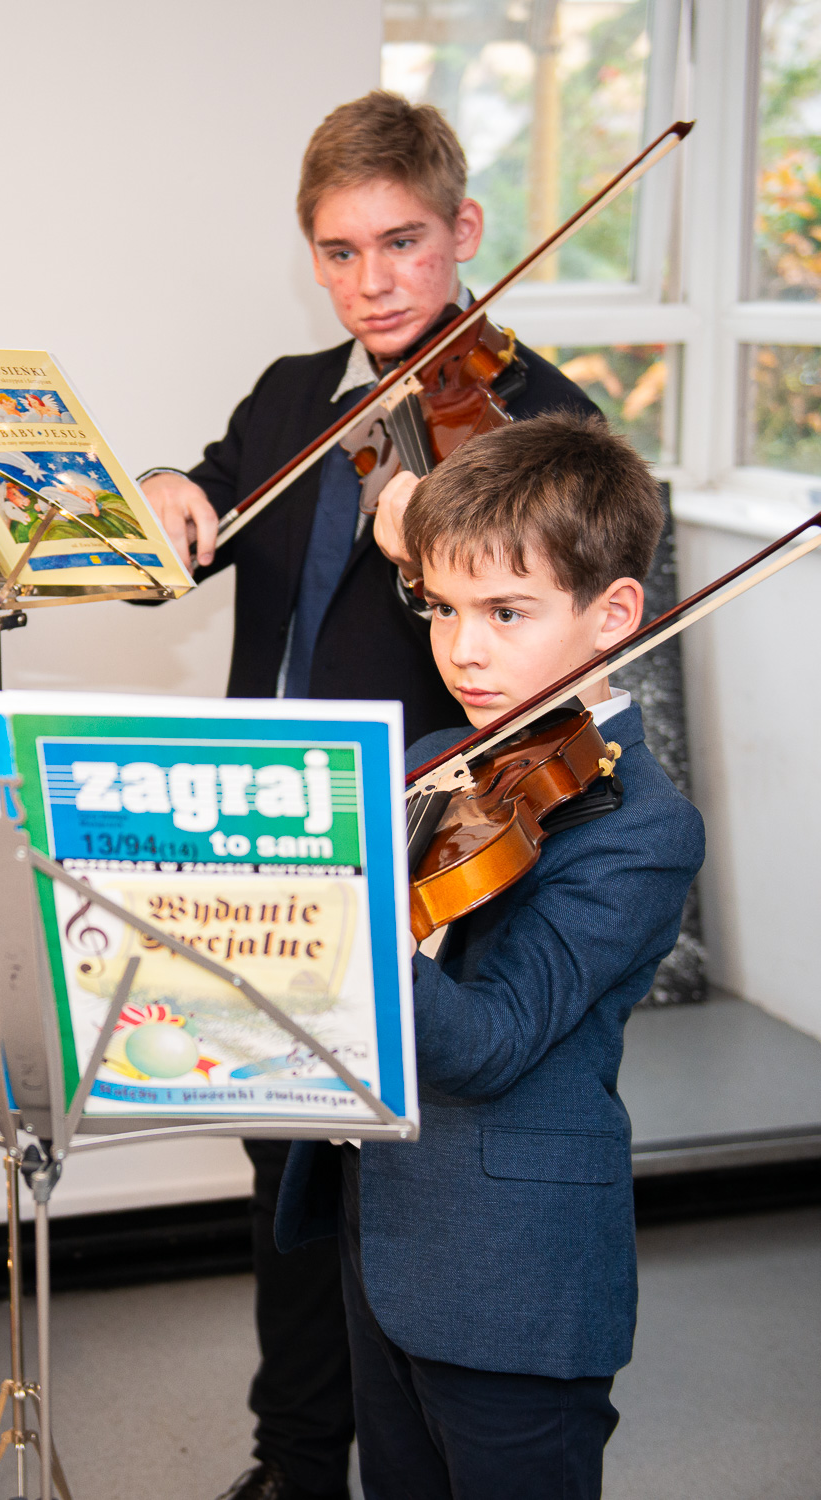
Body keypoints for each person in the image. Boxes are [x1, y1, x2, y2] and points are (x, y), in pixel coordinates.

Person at [137, 92, 600, 1500]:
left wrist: (428, 541)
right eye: (340, 252)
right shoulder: (291, 393)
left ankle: (425, 1454)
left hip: (424, 841)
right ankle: (294, 1462)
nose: (375, 281)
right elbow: (216, 502)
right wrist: (165, 487)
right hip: (262, 828)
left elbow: (556, 644)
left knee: (401, 1183)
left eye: (403, 242)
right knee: (282, 1170)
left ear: (465, 230)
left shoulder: (540, 420)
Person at [276, 412, 706, 1500]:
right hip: (383, 1230)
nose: (462, 650)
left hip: (512, 1273)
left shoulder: (640, 829)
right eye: (441, 607)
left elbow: (489, 1042)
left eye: (506, 613)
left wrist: (349, 913)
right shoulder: (439, 755)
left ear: (614, 615)